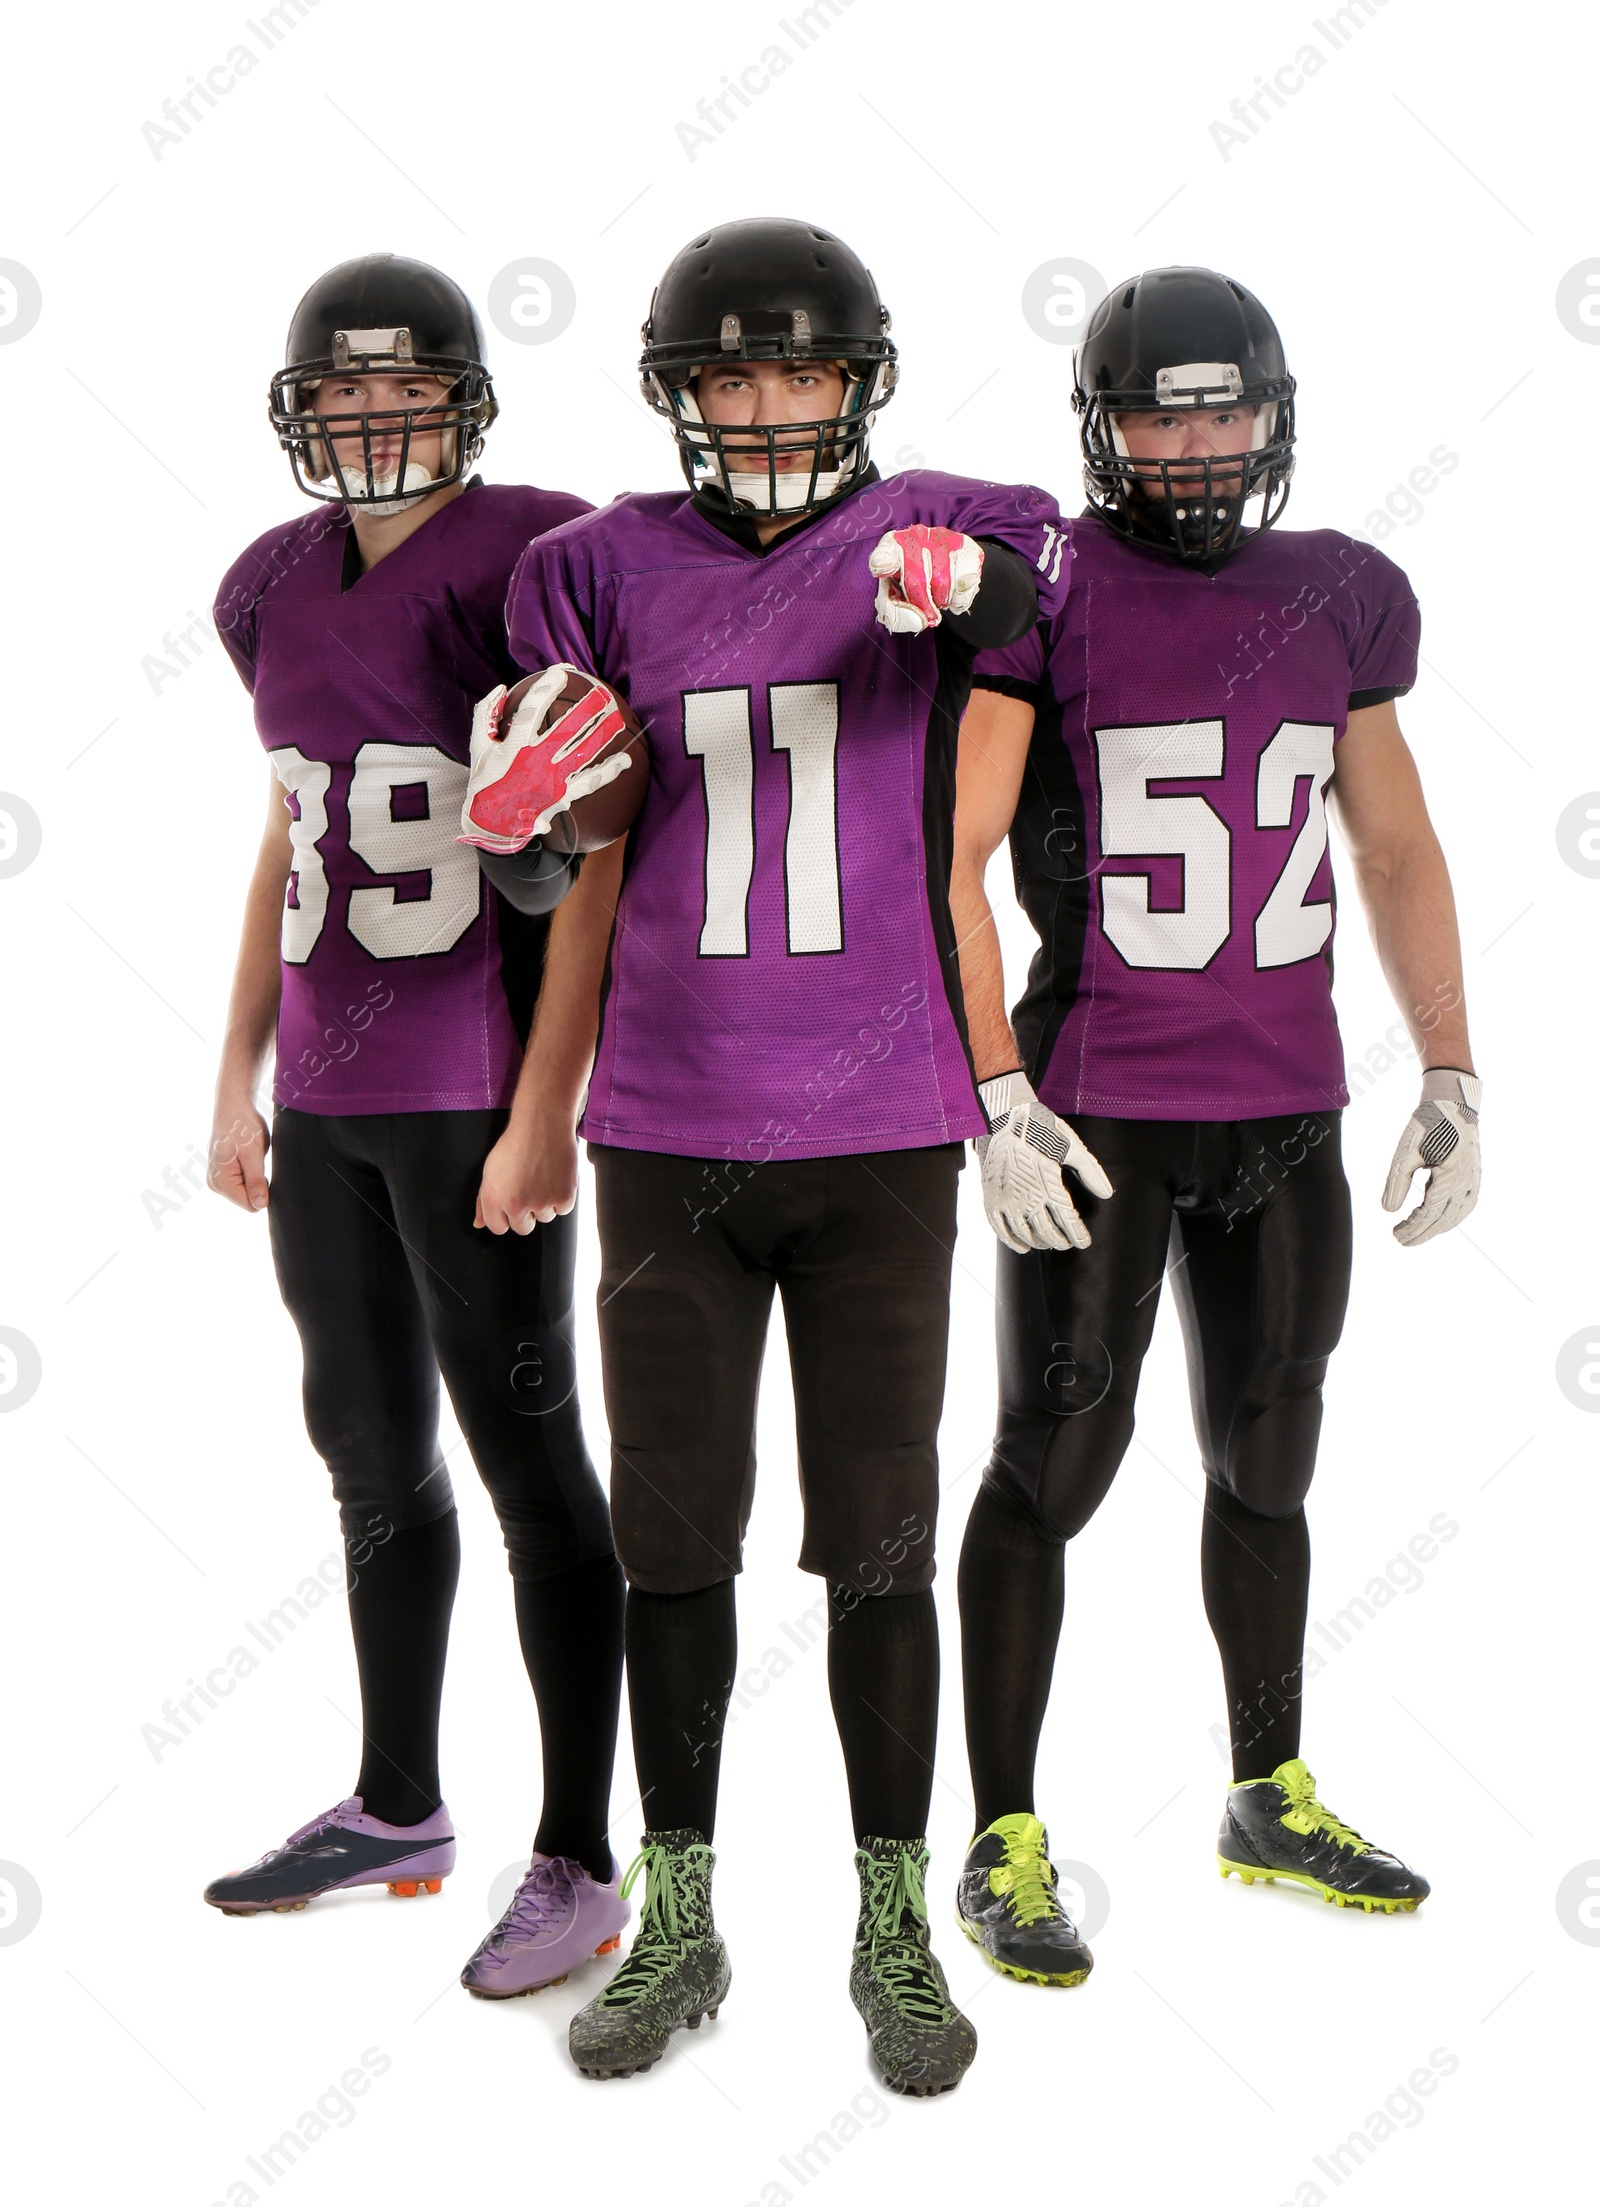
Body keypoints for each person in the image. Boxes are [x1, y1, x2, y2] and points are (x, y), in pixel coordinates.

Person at [479, 216, 1064, 2091]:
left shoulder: (947, 515)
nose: (762, 405)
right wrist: (520, 811)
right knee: (673, 1542)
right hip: (669, 1125)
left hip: (887, 1123)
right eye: (725, 375)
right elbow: (546, 844)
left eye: (797, 371)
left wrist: (967, 588)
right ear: (675, 394)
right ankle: (684, 1911)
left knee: (883, 1541)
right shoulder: (593, 572)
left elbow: (1051, 573)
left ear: (856, 382)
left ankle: (893, 1927)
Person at [948, 265, 1479, 1985]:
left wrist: (1452, 1067)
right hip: (1094, 1112)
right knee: (1059, 1459)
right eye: (1161, 409)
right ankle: (1002, 1836)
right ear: (1104, 426)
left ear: (1273, 415)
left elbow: (1391, 847)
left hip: (1284, 1114)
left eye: (1222, 407)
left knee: (1272, 1453)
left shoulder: (1342, 593)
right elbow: (944, 857)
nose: (1194, 442)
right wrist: (991, 1098)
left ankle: (1268, 1792)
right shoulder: (1043, 591)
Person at [202, 254, 630, 2004]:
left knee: (535, 1473)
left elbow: (596, 842)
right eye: (345, 394)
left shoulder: (533, 559)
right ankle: (397, 1807)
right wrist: (233, 1072)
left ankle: (585, 1854)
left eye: (407, 392)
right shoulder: (272, 585)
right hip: (329, 1102)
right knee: (370, 1460)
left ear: (465, 399)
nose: (375, 421)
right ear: (305, 410)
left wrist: (550, 1111)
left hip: (470, 1086)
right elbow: (292, 833)